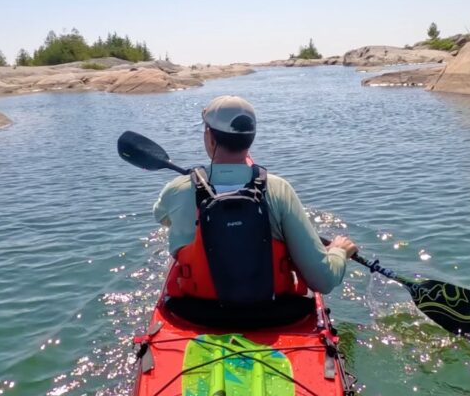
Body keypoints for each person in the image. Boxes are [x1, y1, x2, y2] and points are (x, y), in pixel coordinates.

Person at [153, 95, 358, 306]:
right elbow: (323, 281)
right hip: (274, 315)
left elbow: (161, 217)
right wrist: (339, 250)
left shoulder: (178, 189)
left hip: (196, 315)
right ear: (251, 137)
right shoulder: (278, 189)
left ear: (210, 137)